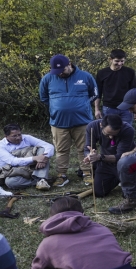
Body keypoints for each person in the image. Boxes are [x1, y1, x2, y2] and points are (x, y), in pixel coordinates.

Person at [39, 54, 97, 186]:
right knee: (61, 150)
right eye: (56, 71)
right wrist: (58, 107)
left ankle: (87, 173)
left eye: (62, 70)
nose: (59, 74)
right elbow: (44, 97)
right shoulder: (48, 78)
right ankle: (62, 175)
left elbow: (94, 94)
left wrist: (82, 105)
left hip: (83, 121)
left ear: (69, 64)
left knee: (85, 148)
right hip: (59, 122)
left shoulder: (85, 76)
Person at [82, 114, 135, 194]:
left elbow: (120, 156)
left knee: (130, 193)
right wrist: (89, 155)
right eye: (107, 134)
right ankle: (119, 178)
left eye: (114, 135)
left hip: (124, 162)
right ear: (101, 126)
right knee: (99, 192)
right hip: (106, 162)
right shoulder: (92, 127)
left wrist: (100, 157)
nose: (111, 137)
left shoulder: (128, 130)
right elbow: (87, 148)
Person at [0, 123, 54, 191]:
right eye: (14, 136)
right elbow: (12, 161)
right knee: (10, 183)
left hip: (31, 166)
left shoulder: (27, 138)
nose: (18, 137)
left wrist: (44, 158)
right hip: (13, 170)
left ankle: (41, 179)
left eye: (19, 134)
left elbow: (49, 146)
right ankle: (40, 180)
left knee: (42, 150)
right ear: (6, 136)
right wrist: (34, 158)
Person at [94, 49, 136, 125]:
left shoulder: (130, 72)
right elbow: (98, 93)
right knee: (109, 133)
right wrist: (96, 109)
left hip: (126, 109)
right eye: (117, 61)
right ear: (110, 59)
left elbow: (133, 92)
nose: (120, 63)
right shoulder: (102, 73)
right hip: (109, 108)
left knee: (126, 132)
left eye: (122, 61)